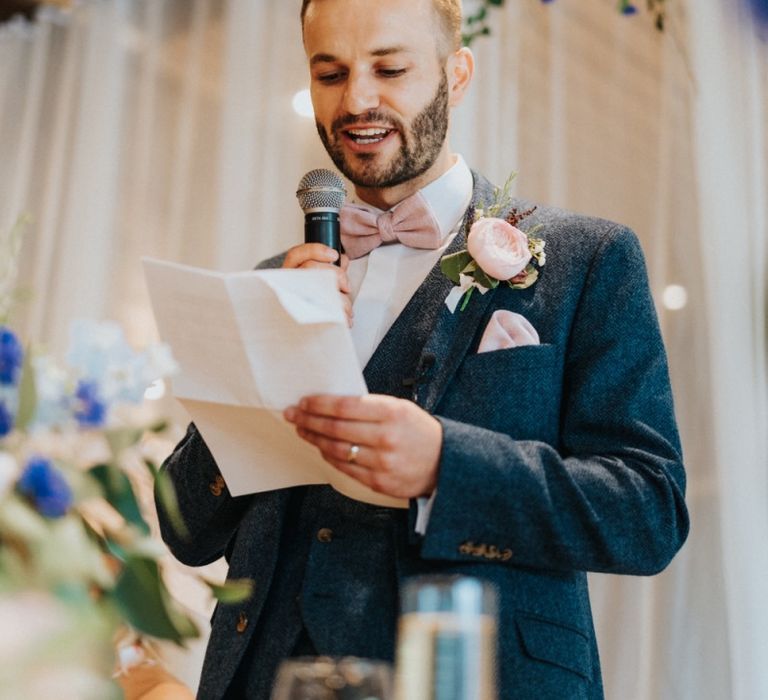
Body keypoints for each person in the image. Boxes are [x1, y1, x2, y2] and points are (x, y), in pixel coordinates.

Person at [156, 0, 689, 698]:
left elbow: (647, 511)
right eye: (331, 73)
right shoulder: (275, 282)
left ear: (456, 74)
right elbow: (185, 529)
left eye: (390, 67)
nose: (357, 100)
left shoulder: (587, 260)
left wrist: (447, 464)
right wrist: (264, 358)